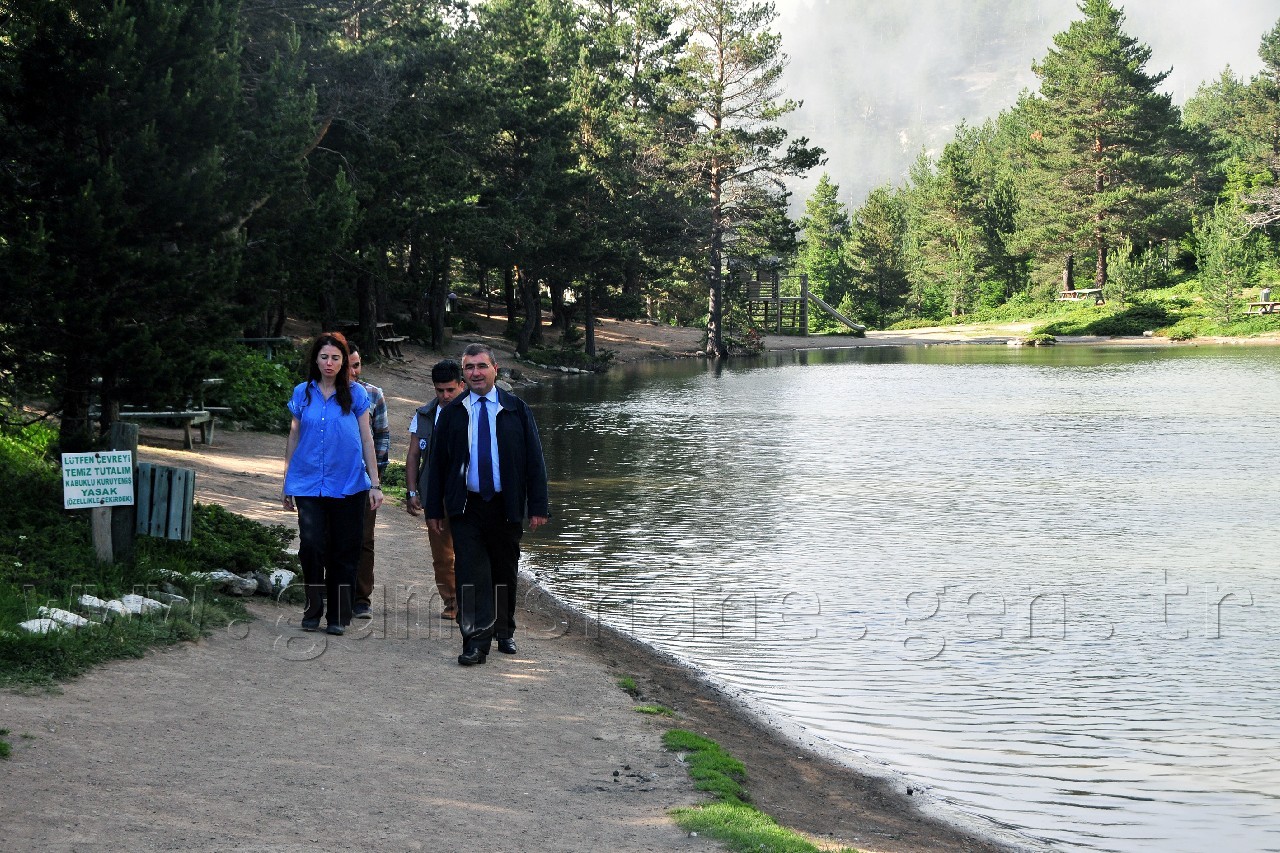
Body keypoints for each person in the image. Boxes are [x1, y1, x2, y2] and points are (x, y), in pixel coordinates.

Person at [424, 343, 549, 666]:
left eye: (481, 366)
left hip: (505, 505)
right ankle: (475, 642)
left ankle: (504, 630)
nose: (476, 373)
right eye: (469, 367)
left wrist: (537, 505)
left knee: (504, 569)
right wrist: (434, 510)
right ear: (464, 374)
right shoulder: (452, 412)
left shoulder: (515, 409)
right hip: (466, 506)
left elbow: (534, 460)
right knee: (470, 573)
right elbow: (437, 464)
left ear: (495, 369)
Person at [282, 332, 384, 636]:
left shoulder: (356, 395)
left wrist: (375, 483)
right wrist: (286, 482)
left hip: (349, 483)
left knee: (345, 548)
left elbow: (367, 438)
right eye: (324, 357)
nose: (330, 363)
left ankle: (339, 615)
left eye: (336, 358)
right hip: (308, 481)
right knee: (311, 546)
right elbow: (294, 436)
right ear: (316, 359)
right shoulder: (303, 393)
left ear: (344, 362)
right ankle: (313, 608)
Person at [405, 360, 467, 620]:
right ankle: (452, 602)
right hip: (434, 493)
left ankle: (471, 602)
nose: (445, 396)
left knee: (469, 550)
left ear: (461, 385)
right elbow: (413, 454)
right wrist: (411, 492)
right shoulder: (424, 415)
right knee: (442, 555)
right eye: (440, 390)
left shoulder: (474, 412)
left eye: (450, 390)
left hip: (468, 494)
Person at [347, 342, 391, 619]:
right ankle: (334, 590)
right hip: (333, 480)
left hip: (365, 480)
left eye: (357, 364)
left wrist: (377, 477)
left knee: (364, 539)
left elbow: (382, 435)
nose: (353, 371)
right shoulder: (323, 394)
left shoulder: (374, 395)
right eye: (348, 364)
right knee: (331, 536)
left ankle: (361, 598)